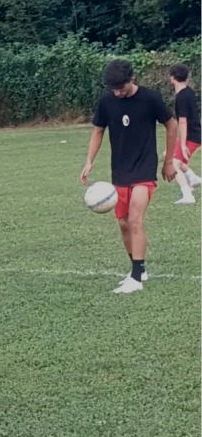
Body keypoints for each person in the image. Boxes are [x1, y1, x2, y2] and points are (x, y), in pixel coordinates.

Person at [80, 60, 177, 294]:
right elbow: (98, 131)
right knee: (123, 224)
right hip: (120, 171)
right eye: (113, 89)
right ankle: (138, 268)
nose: (117, 93)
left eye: (121, 88)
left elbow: (171, 125)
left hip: (144, 168)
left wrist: (168, 162)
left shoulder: (150, 98)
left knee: (135, 220)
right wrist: (89, 161)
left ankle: (136, 278)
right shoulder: (106, 102)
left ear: (132, 79)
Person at [169, 63, 202, 205]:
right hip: (193, 134)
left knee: (174, 164)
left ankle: (188, 195)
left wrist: (182, 144)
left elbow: (183, 121)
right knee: (170, 156)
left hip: (192, 136)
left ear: (172, 78)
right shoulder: (188, 92)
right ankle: (194, 179)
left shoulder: (182, 96)